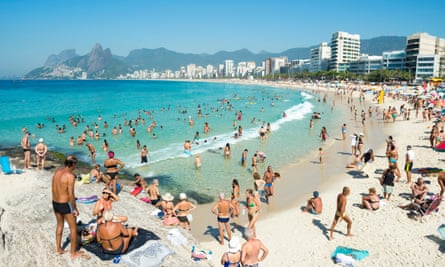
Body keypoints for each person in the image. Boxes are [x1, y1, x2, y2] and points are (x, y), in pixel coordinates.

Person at [51, 155, 85, 259]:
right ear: (72, 164)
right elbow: (71, 194)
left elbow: (54, 188)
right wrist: (75, 208)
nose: (76, 166)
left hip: (55, 202)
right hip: (65, 204)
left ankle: (58, 249)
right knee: (73, 228)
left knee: (59, 225)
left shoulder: (57, 172)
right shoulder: (70, 176)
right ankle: (73, 253)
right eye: (76, 164)